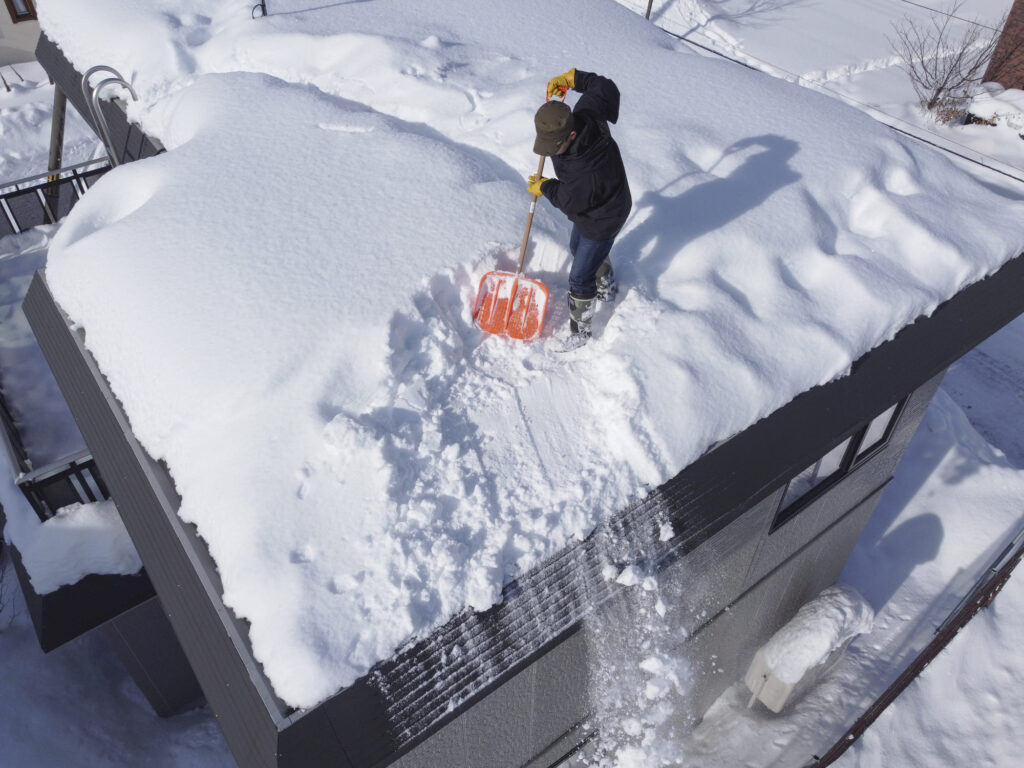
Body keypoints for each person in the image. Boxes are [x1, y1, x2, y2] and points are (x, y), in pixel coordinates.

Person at [528, 68, 632, 347]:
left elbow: (571, 204)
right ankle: (605, 281)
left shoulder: (584, 173)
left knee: (579, 276)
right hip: (609, 196)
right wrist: (574, 78)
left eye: (553, 146)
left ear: (571, 134)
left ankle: (581, 334)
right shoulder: (586, 111)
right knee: (579, 249)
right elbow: (604, 86)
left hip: (603, 215)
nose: (548, 151)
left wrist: (546, 187)